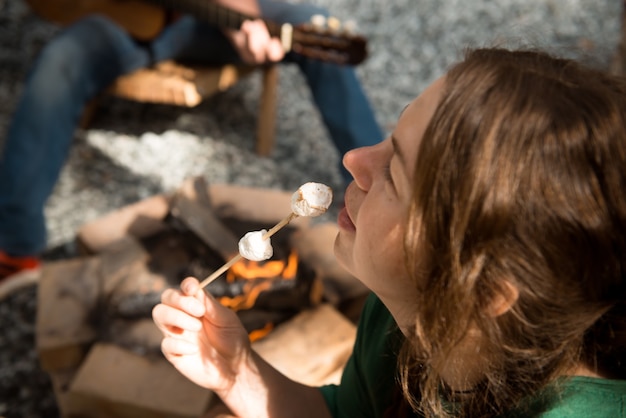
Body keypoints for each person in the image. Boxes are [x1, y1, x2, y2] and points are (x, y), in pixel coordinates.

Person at [152, 47, 626, 417]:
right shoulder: (404, 313)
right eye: (390, 137)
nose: (354, 160)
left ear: (479, 291)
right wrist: (238, 374)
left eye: (395, 175)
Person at [0, 0, 383, 292]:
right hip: (127, 19)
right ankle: (15, 249)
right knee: (59, 63)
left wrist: (239, 10)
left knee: (307, 23)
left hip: (213, 15)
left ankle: (379, 196)